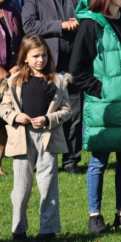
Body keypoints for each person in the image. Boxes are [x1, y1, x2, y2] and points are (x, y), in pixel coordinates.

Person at [69, 0, 121, 234]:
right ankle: (94, 215)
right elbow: (77, 70)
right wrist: (100, 90)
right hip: (103, 104)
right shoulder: (91, 25)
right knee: (99, 160)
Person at [22, 0, 88, 175]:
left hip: (75, 64)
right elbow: (29, 26)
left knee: (74, 114)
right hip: (44, 64)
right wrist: (60, 25)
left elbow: (89, 14)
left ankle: (71, 162)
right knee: (40, 111)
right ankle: (37, 158)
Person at [0, 34, 71, 242]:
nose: (41, 60)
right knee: (21, 188)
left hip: (48, 138)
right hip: (22, 139)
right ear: (25, 58)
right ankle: (18, 231)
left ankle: (48, 231)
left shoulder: (58, 81)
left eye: (43, 55)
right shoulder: (13, 82)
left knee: (48, 185)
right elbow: (3, 108)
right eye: (35, 56)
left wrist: (49, 119)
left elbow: (67, 110)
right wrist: (15, 116)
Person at [0, 0, 24, 176]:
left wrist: (16, 65)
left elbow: (21, 40)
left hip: (11, 74)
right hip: (1, 74)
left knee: (4, 120)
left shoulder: (10, 11)